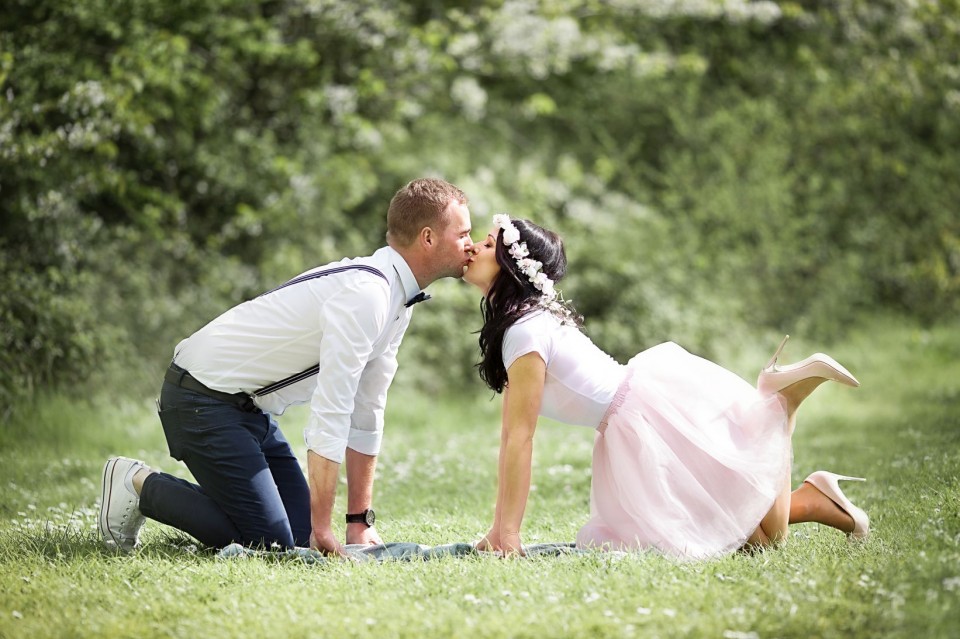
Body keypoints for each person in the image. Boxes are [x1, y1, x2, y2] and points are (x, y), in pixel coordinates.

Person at [98, 178, 476, 556]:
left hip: (248, 411)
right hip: (201, 399)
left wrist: (358, 523)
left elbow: (367, 411)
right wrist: (326, 528)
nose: (471, 245)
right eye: (464, 234)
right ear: (428, 238)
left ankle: (236, 514)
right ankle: (138, 484)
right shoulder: (368, 295)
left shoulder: (397, 300)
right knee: (275, 544)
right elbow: (331, 414)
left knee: (299, 538)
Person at [463, 214, 869, 560]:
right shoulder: (523, 325)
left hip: (645, 414)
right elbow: (509, 435)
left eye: (485, 244)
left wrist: (511, 538)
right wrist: (498, 533)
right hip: (631, 416)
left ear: (510, 266)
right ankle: (818, 498)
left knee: (769, 538)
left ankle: (782, 403)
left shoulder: (525, 330)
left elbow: (520, 437)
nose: (473, 250)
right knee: (745, 537)